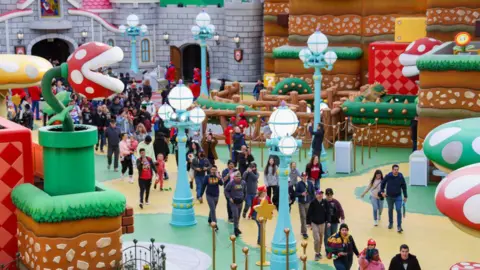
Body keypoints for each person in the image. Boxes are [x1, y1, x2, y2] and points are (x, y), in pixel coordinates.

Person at [380, 164, 407, 233]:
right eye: (395, 170)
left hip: (398, 196)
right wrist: (382, 192)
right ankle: (391, 223)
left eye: (397, 169)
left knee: (398, 209)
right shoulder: (388, 176)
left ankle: (399, 226)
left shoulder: (400, 176)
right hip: (389, 197)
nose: (396, 171)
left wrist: (405, 196)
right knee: (390, 209)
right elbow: (382, 184)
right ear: (392, 170)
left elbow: (404, 186)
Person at [307, 190, 331, 260]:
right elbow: (309, 213)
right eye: (319, 194)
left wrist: (328, 221)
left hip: (322, 223)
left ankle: (319, 251)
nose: (320, 195)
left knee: (320, 238)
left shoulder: (325, 202)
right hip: (314, 223)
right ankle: (317, 253)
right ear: (316, 195)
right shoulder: (313, 203)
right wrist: (308, 223)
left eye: (321, 194)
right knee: (316, 239)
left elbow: (328, 212)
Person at [225, 171, 246, 237]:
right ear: (234, 177)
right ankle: (235, 229)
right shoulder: (231, 183)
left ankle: (237, 227)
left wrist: (243, 198)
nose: (238, 178)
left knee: (238, 216)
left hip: (240, 202)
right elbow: (226, 190)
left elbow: (245, 191)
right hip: (233, 202)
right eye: (237, 177)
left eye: (239, 177)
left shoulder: (243, 183)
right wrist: (229, 198)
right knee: (235, 215)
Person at [201, 165, 223, 230]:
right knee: (213, 209)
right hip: (209, 195)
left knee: (213, 208)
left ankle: (210, 219)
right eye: (212, 169)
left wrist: (219, 178)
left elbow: (221, 184)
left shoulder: (218, 176)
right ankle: (215, 224)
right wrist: (200, 195)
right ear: (210, 170)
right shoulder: (207, 177)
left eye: (215, 170)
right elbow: (203, 186)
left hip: (216, 195)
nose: (213, 171)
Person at [324, 188, 345, 252]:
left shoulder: (335, 201)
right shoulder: (323, 202)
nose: (329, 196)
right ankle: (327, 249)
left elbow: (340, 209)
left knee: (334, 235)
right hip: (327, 222)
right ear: (326, 195)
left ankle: (333, 249)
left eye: (331, 195)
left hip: (335, 221)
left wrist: (342, 218)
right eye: (328, 195)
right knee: (327, 235)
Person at [296, 172, 316, 239]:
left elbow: (313, 193)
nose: (304, 177)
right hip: (301, 203)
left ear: (307, 176)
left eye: (305, 176)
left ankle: (306, 229)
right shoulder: (299, 184)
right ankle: (304, 232)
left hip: (308, 202)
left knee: (309, 216)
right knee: (303, 217)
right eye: (303, 176)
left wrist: (313, 201)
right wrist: (301, 194)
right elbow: (295, 193)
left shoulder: (310, 183)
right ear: (301, 177)